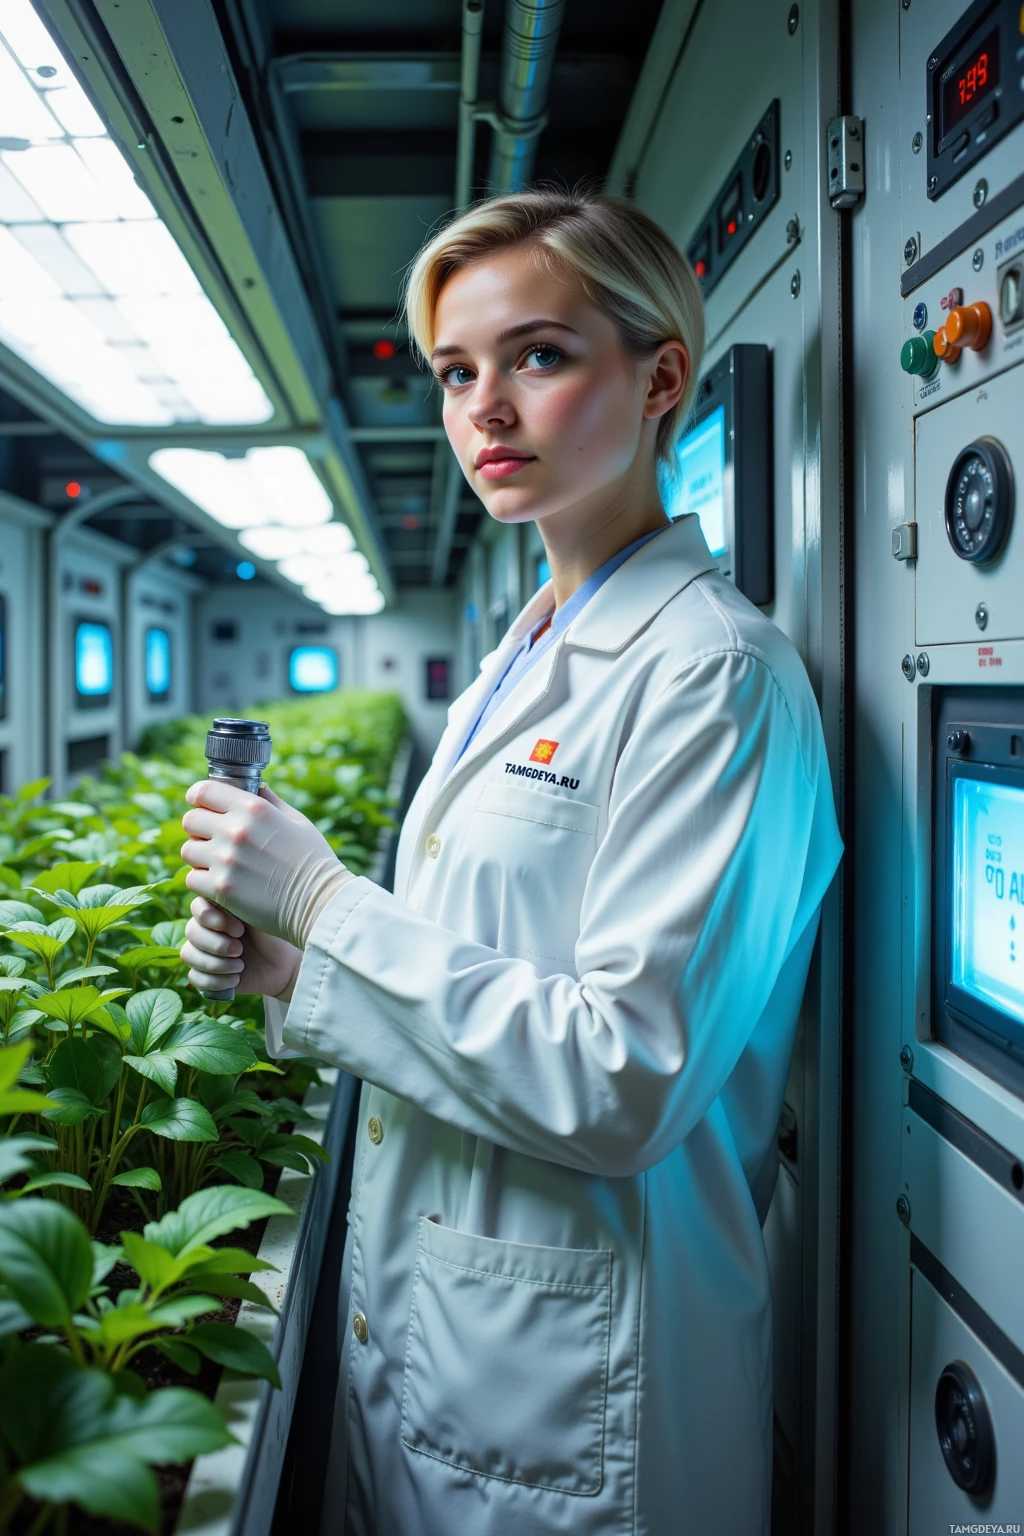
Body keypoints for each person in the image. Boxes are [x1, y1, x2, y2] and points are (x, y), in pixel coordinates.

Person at [180, 189, 843, 1536]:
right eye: (455, 371)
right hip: (447, 1333)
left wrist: (324, 902)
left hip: (588, 1394)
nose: (486, 405)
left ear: (660, 379)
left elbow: (625, 1074)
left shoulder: (715, 676)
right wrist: (294, 968)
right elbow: (486, 964)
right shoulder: (523, 656)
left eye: (538, 355)